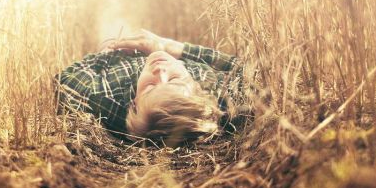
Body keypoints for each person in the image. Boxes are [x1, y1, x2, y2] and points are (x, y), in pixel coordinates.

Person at [56, 30, 248, 146]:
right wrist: (173, 47)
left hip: (121, 58)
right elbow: (249, 71)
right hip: (169, 51)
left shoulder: (110, 99)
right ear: (198, 88)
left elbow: (66, 82)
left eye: (149, 87)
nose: (160, 71)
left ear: (135, 102)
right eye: (174, 79)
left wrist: (110, 54)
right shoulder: (215, 94)